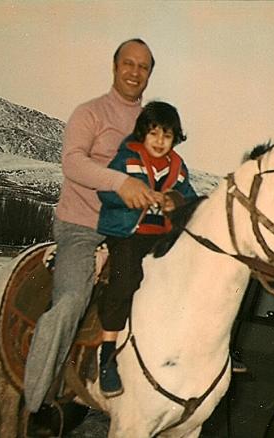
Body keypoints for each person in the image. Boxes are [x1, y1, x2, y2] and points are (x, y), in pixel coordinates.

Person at [24, 38, 159, 413]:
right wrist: (121, 183)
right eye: (128, 64)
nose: (135, 72)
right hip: (82, 225)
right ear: (115, 67)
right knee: (69, 302)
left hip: (129, 230)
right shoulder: (90, 113)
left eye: (143, 66)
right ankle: (34, 402)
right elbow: (72, 164)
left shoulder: (152, 124)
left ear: (149, 75)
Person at [96, 101, 197, 396]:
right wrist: (130, 194)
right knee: (125, 281)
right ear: (143, 133)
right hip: (128, 233)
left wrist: (175, 202)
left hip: (160, 238)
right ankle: (107, 357)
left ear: (175, 138)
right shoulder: (127, 157)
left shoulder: (178, 168)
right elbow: (105, 188)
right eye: (154, 134)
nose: (159, 141)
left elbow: (188, 200)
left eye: (167, 135)